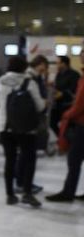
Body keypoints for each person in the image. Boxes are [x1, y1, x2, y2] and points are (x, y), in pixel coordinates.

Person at [0, 56, 46, 207]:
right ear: (24, 68)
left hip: (5, 126)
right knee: (29, 159)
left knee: (10, 160)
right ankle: (27, 192)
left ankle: (10, 195)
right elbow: (39, 106)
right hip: (26, 128)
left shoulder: (0, 82)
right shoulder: (29, 83)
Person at [46, 50, 84, 203]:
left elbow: (80, 103)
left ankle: (68, 192)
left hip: (81, 123)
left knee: (74, 159)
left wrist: (67, 115)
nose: (81, 56)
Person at [51, 56, 80, 135]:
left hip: (68, 105)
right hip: (57, 104)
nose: (57, 65)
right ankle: (60, 138)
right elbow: (57, 86)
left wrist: (62, 94)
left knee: (68, 127)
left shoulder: (74, 74)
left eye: (58, 63)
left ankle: (68, 143)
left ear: (64, 64)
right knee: (52, 123)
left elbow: (74, 90)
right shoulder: (59, 74)